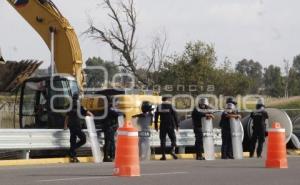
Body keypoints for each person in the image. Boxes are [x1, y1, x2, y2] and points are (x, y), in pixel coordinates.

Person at [64, 94, 93, 163]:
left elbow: (66, 117)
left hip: (71, 126)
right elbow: (88, 113)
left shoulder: (70, 106)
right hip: (76, 126)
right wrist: (92, 116)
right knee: (83, 139)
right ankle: (72, 151)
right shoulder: (79, 106)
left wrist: (65, 125)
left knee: (73, 140)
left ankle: (72, 155)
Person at [154, 96, 179, 160]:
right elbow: (175, 116)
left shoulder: (159, 106)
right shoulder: (171, 106)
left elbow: (156, 117)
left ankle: (163, 155)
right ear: (167, 100)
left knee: (162, 140)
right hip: (170, 125)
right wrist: (177, 126)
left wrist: (156, 126)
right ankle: (171, 150)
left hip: (162, 125)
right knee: (173, 139)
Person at [102, 97, 121, 162]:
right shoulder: (109, 109)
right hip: (109, 127)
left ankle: (108, 156)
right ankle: (108, 157)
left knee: (109, 142)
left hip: (108, 127)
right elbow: (118, 114)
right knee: (109, 142)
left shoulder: (107, 109)